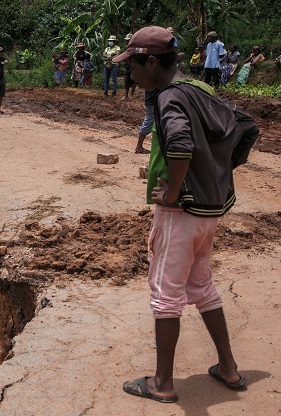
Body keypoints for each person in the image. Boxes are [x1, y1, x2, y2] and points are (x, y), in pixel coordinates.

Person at [113, 26, 246, 404]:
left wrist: (172, 193)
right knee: (201, 285)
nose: (131, 75)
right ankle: (229, 368)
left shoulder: (168, 97)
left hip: (182, 211)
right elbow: (239, 128)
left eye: (134, 67)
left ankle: (162, 383)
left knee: (165, 294)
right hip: (209, 209)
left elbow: (181, 145)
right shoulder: (201, 89)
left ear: (153, 62)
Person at [121, 33, 137, 101]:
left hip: (134, 66)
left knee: (133, 81)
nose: (127, 41)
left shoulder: (136, 47)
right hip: (128, 66)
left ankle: (131, 95)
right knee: (126, 81)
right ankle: (126, 96)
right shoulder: (126, 47)